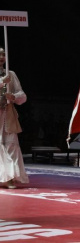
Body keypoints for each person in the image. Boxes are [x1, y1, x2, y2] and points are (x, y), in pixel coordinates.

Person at [0, 47, 29, 189]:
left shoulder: (10, 74)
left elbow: (22, 95)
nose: (1, 57)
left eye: (3, 54)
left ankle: (10, 177)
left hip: (8, 113)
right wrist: (1, 82)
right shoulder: (4, 77)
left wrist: (14, 97)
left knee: (10, 144)